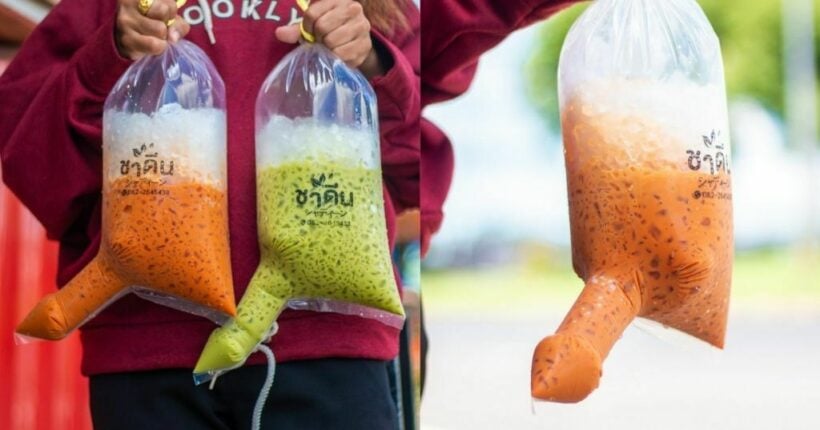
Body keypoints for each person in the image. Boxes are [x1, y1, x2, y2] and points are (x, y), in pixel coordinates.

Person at [0, 0, 419, 428]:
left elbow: (414, 159)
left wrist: (371, 60)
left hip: (333, 345)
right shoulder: (105, 8)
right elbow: (33, 161)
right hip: (148, 354)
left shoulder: (370, 9)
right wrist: (108, 56)